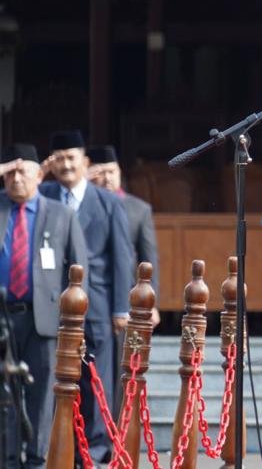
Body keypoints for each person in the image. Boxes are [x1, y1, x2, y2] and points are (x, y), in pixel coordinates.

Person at [39, 130, 134, 465]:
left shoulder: (107, 201)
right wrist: (39, 171)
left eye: (71, 158)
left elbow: (121, 255)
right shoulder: (43, 194)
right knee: (54, 376)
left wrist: (122, 307)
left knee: (96, 378)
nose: (66, 165)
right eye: (59, 159)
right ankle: (56, 446)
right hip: (51, 302)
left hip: (97, 301)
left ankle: (93, 451)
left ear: (85, 162)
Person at [0, 143, 88, 467]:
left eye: (23, 171)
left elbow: (78, 272)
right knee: (5, 394)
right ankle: (7, 457)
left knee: (41, 396)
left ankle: (37, 458)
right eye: (9, 172)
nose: (16, 178)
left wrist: (75, 325)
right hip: (3, 318)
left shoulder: (61, 214)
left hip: (44, 318)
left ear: (40, 175)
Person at [86, 145, 159, 323]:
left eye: (112, 171)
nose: (107, 178)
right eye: (101, 173)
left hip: (127, 293)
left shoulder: (139, 209)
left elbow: (148, 260)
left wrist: (152, 302)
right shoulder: (81, 206)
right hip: (89, 293)